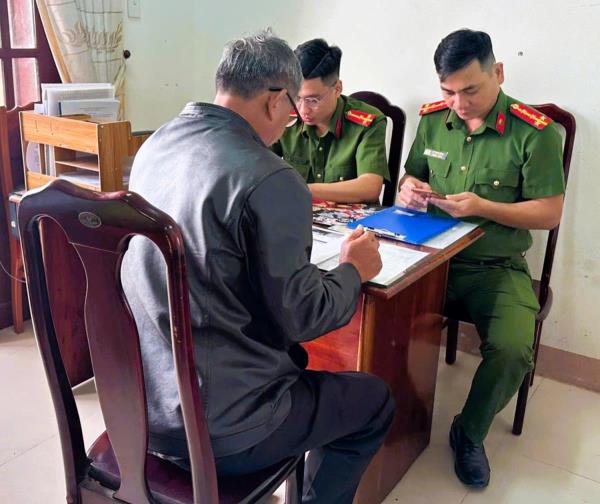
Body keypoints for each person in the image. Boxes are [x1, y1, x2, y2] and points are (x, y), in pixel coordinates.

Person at [121, 31, 395, 504]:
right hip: (225, 427)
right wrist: (354, 270)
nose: (292, 121)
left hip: (143, 404)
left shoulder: (156, 144)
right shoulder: (268, 175)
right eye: (291, 109)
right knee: (373, 402)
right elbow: (304, 318)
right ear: (274, 101)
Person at [399, 29, 565, 488]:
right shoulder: (434, 120)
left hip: (493, 266)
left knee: (512, 350)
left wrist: (484, 207)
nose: (458, 103)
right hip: (429, 258)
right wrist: (409, 189)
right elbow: (411, 175)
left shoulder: (534, 133)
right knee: (377, 312)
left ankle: (469, 432)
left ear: (499, 73)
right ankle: (389, 417)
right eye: (448, 91)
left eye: (470, 90)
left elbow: (549, 213)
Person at [272, 38, 389, 203]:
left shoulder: (368, 123)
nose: (303, 110)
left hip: (352, 219)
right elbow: (255, 163)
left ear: (337, 88)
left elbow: (369, 188)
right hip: (296, 215)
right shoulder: (284, 115)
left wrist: (298, 189)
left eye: (313, 100)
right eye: (296, 97)